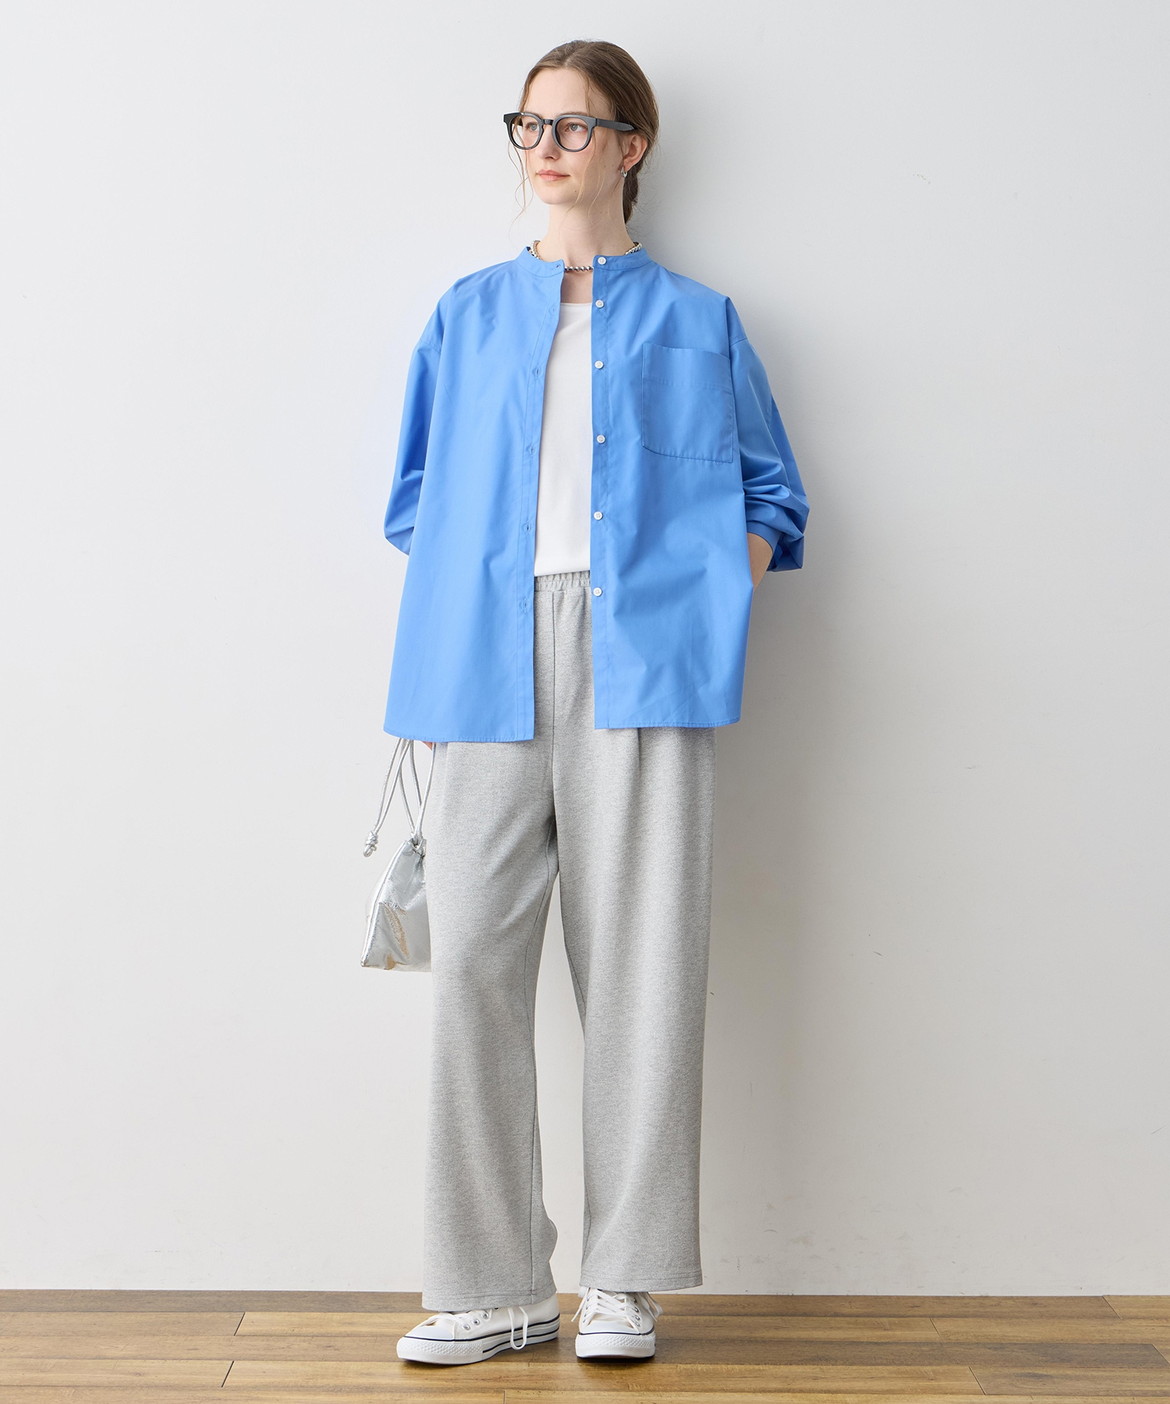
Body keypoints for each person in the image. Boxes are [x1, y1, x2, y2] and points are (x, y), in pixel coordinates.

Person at [387, 39, 809, 1368]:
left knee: (644, 969)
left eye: (574, 125)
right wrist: (479, 597)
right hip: (482, 657)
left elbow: (772, 493)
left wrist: (710, 595)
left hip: (647, 659)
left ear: (633, 144)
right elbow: (412, 500)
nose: (546, 147)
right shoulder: (464, 315)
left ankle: (624, 1279)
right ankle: (491, 1283)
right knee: (472, 968)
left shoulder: (699, 318)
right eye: (529, 124)